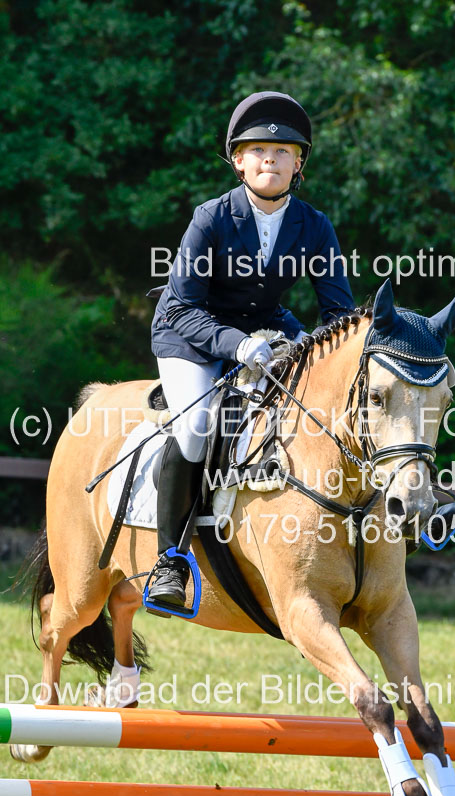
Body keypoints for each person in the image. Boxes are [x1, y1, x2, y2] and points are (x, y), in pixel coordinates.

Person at [148, 91, 356, 608]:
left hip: (265, 332)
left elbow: (339, 315)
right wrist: (238, 346)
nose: (271, 159)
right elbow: (183, 308)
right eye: (259, 150)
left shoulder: (315, 225)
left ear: (298, 164)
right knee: (197, 426)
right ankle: (169, 561)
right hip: (189, 335)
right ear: (238, 162)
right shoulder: (211, 218)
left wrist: (319, 354)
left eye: (284, 151)